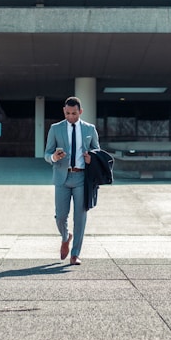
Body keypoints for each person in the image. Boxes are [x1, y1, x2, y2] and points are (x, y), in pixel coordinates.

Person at [44, 96, 100, 265]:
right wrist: (53, 157)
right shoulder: (55, 129)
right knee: (60, 216)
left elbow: (97, 151)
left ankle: (75, 254)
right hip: (62, 176)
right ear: (64, 111)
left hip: (82, 177)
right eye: (67, 113)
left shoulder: (90, 129)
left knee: (80, 217)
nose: (70, 117)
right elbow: (47, 153)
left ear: (80, 112)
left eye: (74, 113)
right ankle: (65, 236)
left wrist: (92, 158)